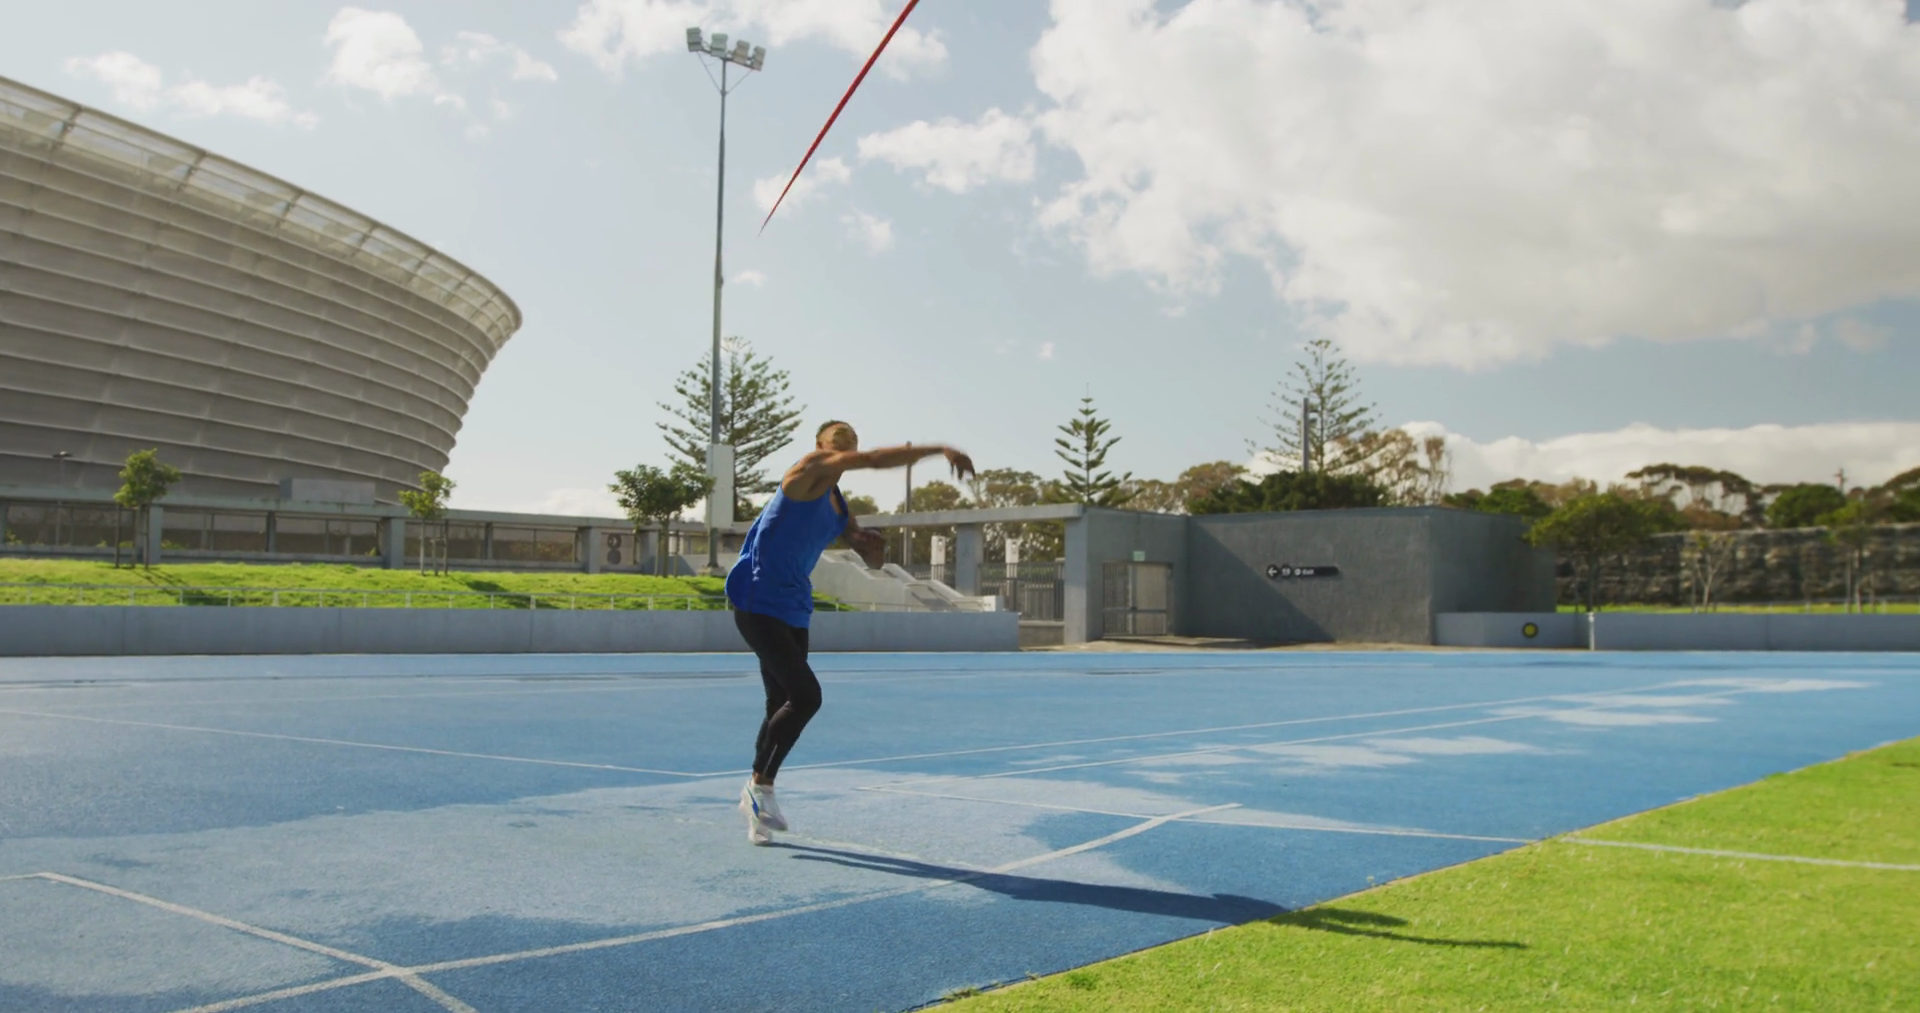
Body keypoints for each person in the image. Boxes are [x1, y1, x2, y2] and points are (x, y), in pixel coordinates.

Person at [727, 420, 975, 844]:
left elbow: (871, 559)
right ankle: (759, 787)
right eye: (836, 440)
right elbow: (874, 460)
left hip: (794, 607)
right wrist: (940, 449)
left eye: (850, 440)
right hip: (756, 599)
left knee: (780, 703)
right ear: (820, 445)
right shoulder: (807, 470)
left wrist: (871, 546)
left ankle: (757, 804)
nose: (844, 447)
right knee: (806, 697)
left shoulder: (838, 507)